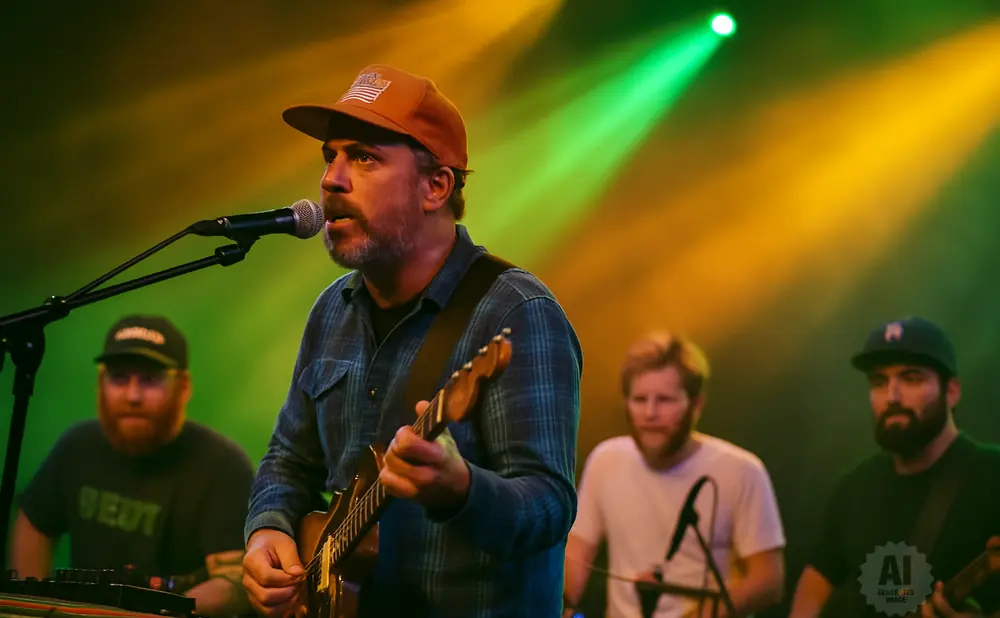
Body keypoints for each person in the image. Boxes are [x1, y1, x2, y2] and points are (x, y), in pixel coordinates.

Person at [240, 64, 583, 618]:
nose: (331, 178)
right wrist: (268, 531)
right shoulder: (333, 309)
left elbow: (549, 506)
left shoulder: (517, 312)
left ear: (435, 186)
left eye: (364, 157)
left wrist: (461, 489)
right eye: (330, 155)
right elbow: (288, 458)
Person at [9, 315, 255, 617]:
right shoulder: (78, 446)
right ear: (101, 383)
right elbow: (34, 520)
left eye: (150, 379)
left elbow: (235, 581)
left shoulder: (222, 466)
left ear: (183, 387)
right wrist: (35, 608)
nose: (133, 395)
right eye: (119, 377)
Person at [562, 331, 786, 618]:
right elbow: (577, 556)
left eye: (665, 400)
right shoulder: (607, 459)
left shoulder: (741, 470)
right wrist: (562, 607)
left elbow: (768, 580)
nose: (650, 413)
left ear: (697, 405)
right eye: (639, 399)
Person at [789, 316, 1000, 618]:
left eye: (911, 378)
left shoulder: (991, 474)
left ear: (951, 392)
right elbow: (817, 577)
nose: (892, 396)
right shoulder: (855, 487)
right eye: (879, 382)